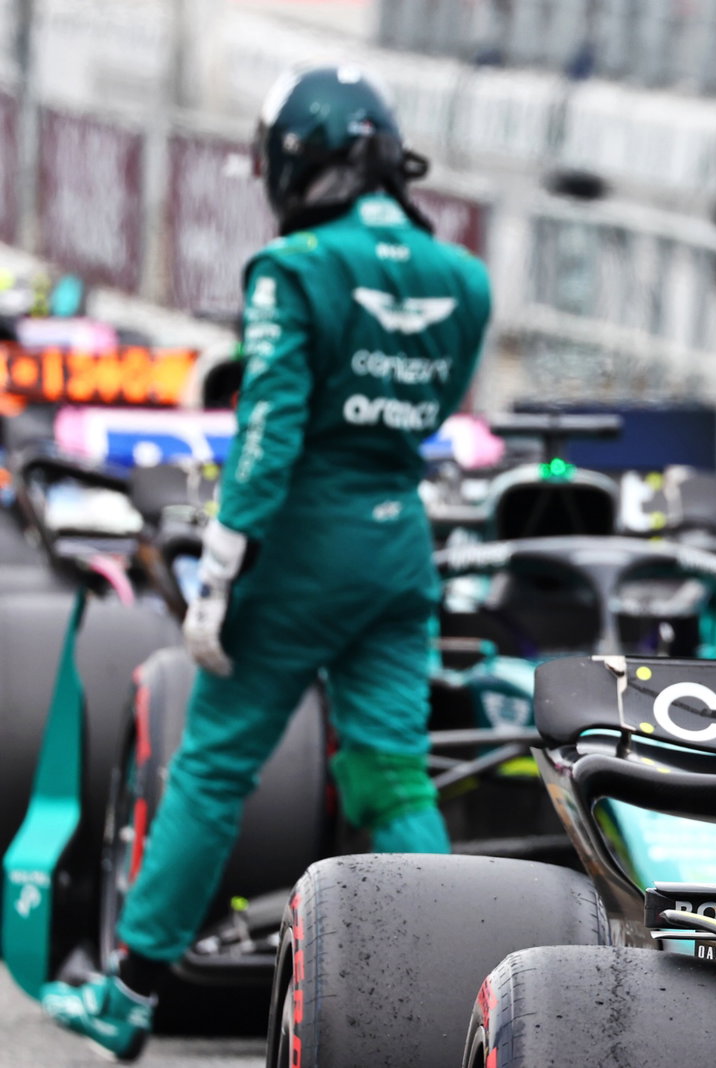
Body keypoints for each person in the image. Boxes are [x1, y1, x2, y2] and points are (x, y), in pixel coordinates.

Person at [42, 65, 492, 1059]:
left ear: (298, 161)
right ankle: (471, 994)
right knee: (392, 781)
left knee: (212, 763)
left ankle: (130, 993)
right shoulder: (463, 278)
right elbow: (438, 408)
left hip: (299, 547)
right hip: (398, 546)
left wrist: (219, 575)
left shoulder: (291, 270)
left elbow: (266, 435)